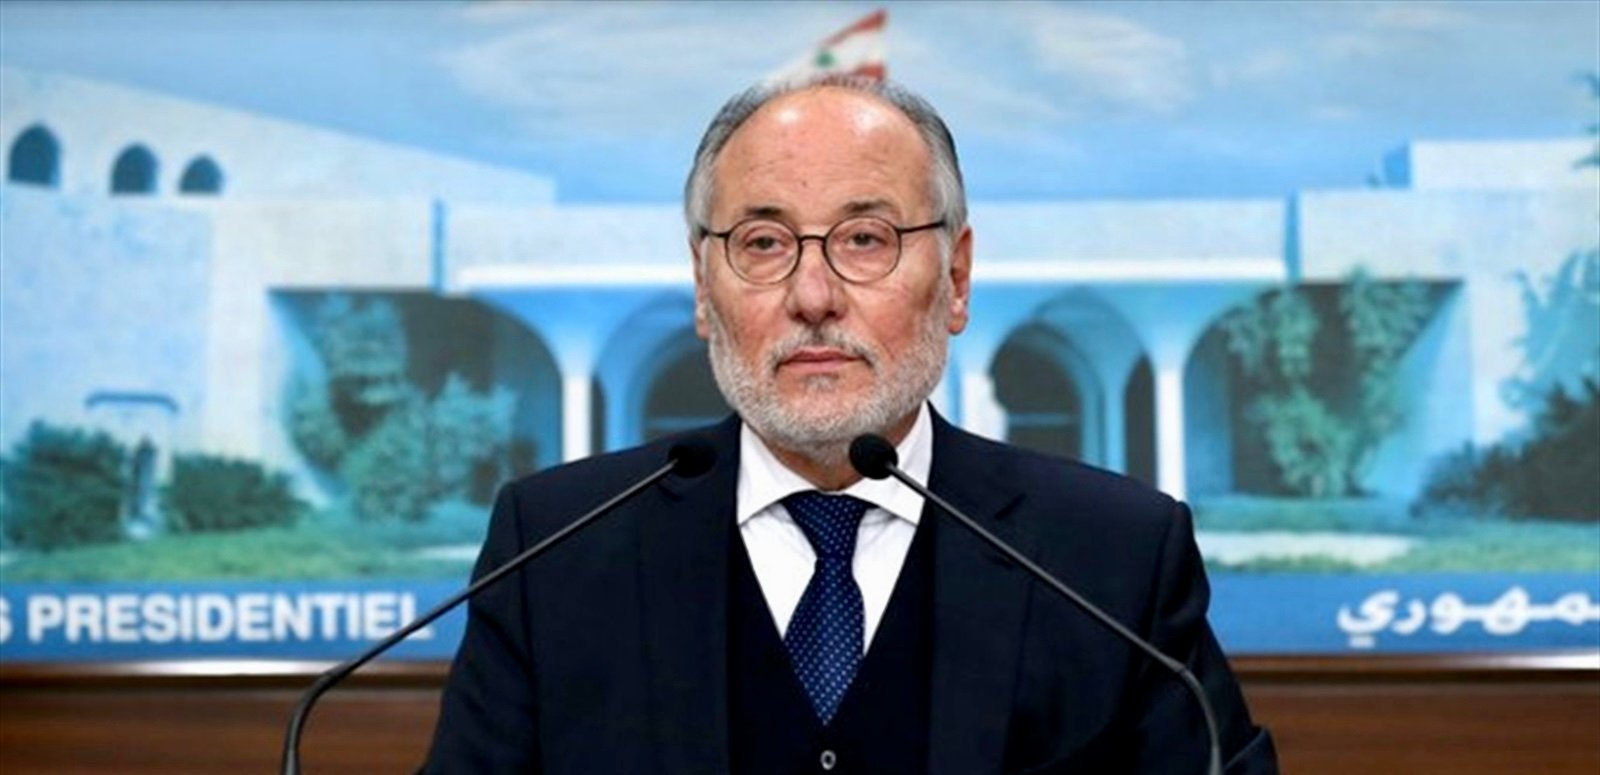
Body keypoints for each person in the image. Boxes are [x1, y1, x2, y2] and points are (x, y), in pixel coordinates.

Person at [425, 76, 1278, 774]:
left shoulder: (1111, 557)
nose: (813, 296)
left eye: (866, 239)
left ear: (956, 279)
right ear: (702, 285)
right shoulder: (557, 548)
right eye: (763, 243)